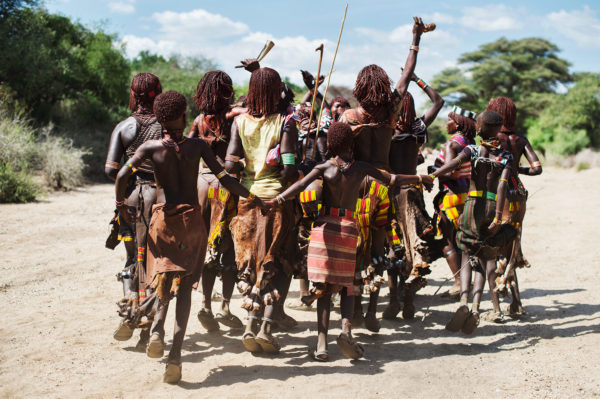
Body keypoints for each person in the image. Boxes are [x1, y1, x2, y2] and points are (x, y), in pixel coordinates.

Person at [115, 90, 266, 383]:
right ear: (183, 117)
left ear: (160, 119)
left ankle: (157, 329)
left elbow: (121, 177)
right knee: (184, 289)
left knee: (161, 276)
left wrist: (121, 206)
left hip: (162, 221)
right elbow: (225, 180)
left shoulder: (149, 149)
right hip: (192, 223)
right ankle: (176, 356)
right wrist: (252, 197)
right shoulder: (197, 147)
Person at [269, 122, 433, 360]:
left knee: (323, 288)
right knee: (347, 285)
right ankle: (346, 331)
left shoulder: (324, 167)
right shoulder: (361, 168)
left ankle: (322, 344)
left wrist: (277, 201)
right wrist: (420, 178)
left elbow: (300, 186)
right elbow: (393, 179)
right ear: (350, 144)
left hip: (325, 229)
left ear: (332, 144)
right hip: (348, 229)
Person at [339, 16, 432, 331]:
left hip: (356, 188)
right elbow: (406, 75)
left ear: (358, 88)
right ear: (384, 88)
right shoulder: (392, 111)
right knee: (381, 250)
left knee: (355, 249)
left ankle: (351, 315)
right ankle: (372, 314)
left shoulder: (350, 117)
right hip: (386, 184)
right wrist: (415, 39)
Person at [225, 67, 300, 353]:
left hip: (247, 199)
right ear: (277, 90)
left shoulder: (239, 122)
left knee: (252, 263)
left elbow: (231, 165)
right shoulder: (286, 122)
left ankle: (249, 325)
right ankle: (266, 328)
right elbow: (289, 169)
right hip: (277, 201)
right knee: (279, 260)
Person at [430, 110, 517, 335]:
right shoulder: (506, 156)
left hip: (472, 205)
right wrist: (498, 217)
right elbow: (501, 187)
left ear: (479, 128)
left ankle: (464, 302)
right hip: (491, 206)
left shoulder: (474, 150)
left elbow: (453, 165)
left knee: (468, 254)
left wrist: (433, 175)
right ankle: (477, 309)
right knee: (485, 254)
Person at [105, 73, 162, 347]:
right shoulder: (167, 125)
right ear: (157, 92)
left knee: (133, 257)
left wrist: (127, 184)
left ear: (133, 93)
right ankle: (148, 327)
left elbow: (110, 170)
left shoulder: (124, 126)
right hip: (161, 200)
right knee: (155, 260)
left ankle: (129, 311)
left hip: (130, 200)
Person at [385, 69, 444, 320]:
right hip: (412, 193)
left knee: (392, 246)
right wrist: (417, 78)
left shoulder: (384, 131)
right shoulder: (418, 129)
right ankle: (408, 301)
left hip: (387, 192)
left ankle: (392, 301)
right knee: (413, 246)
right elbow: (438, 101)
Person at [188, 71, 243, 332]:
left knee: (207, 243)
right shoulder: (235, 118)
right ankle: (225, 307)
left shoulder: (199, 120)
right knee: (228, 247)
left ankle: (205, 304)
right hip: (226, 184)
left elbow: (186, 149)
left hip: (202, 183)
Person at [485, 96, 542, 318]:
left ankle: (496, 308)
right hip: (518, 193)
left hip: (498, 195)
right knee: (512, 244)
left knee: (493, 247)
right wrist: (517, 170)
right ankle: (517, 303)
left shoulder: (493, 137)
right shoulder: (520, 139)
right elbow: (537, 168)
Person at [432, 106, 477, 299]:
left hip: (451, 198)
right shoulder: (470, 143)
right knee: (464, 242)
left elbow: (451, 172)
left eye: (449, 120)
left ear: (457, 123)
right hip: (469, 197)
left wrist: (433, 169)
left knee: (446, 240)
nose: (446, 123)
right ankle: (467, 282)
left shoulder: (452, 145)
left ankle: (459, 283)